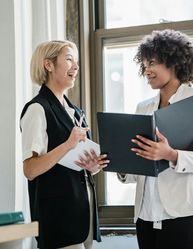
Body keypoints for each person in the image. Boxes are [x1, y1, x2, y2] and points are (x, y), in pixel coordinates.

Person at [118, 29, 193, 249]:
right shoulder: (143, 107)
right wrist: (120, 163)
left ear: (173, 62)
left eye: (152, 63)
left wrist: (171, 155)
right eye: (144, 65)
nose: (147, 71)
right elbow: (140, 167)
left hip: (183, 214)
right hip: (146, 215)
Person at [20, 40, 109, 249]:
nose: (76, 67)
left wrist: (92, 167)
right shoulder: (37, 109)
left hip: (83, 219)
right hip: (58, 220)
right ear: (48, 65)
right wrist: (67, 145)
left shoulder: (75, 111)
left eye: (76, 61)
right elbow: (30, 169)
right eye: (69, 59)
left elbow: (73, 167)